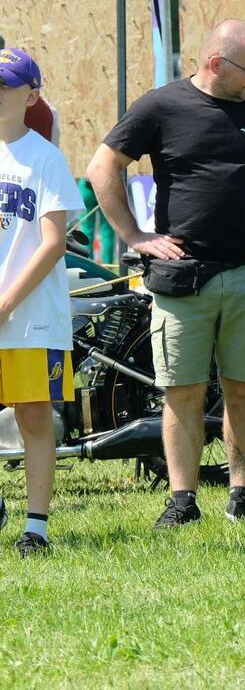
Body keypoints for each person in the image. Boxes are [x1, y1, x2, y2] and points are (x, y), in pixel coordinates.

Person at [87, 19, 245, 527]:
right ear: (215, 63)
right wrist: (135, 237)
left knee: (244, 386)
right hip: (181, 278)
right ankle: (182, 501)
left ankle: (242, 494)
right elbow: (103, 167)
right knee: (182, 391)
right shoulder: (161, 106)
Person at [0, 48, 85, 556]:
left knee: (34, 415)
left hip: (31, 317)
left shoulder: (45, 158)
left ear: (30, 95)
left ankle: (37, 528)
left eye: (5, 86)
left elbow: (53, 243)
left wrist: (6, 302)